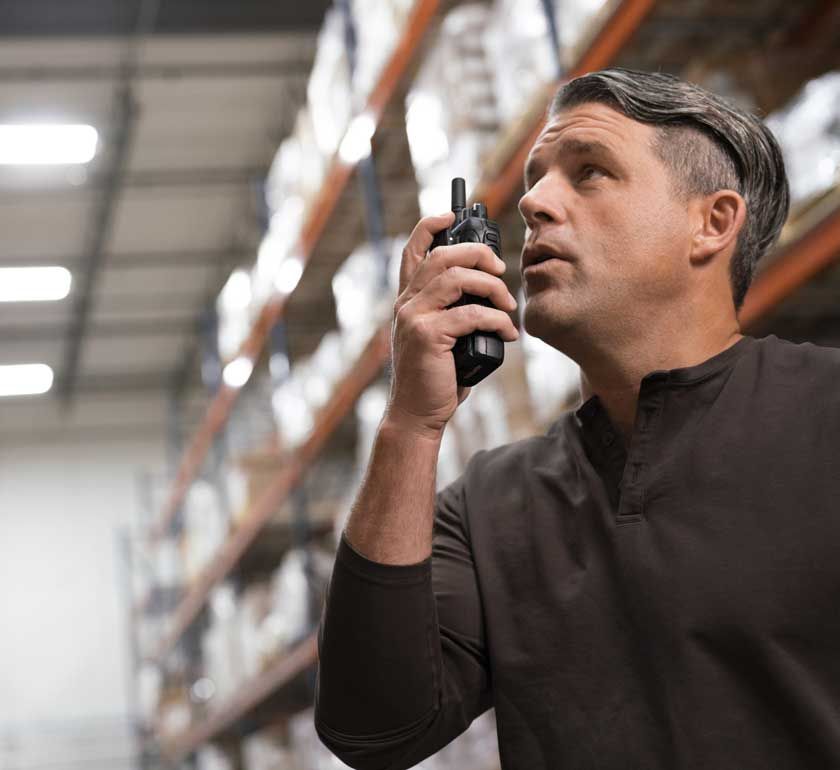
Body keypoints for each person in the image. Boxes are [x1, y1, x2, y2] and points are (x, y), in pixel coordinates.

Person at [313, 67, 840, 769]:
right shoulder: (490, 508)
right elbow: (372, 729)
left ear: (710, 224)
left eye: (589, 172)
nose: (533, 202)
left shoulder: (825, 418)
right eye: (535, 177)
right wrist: (410, 423)